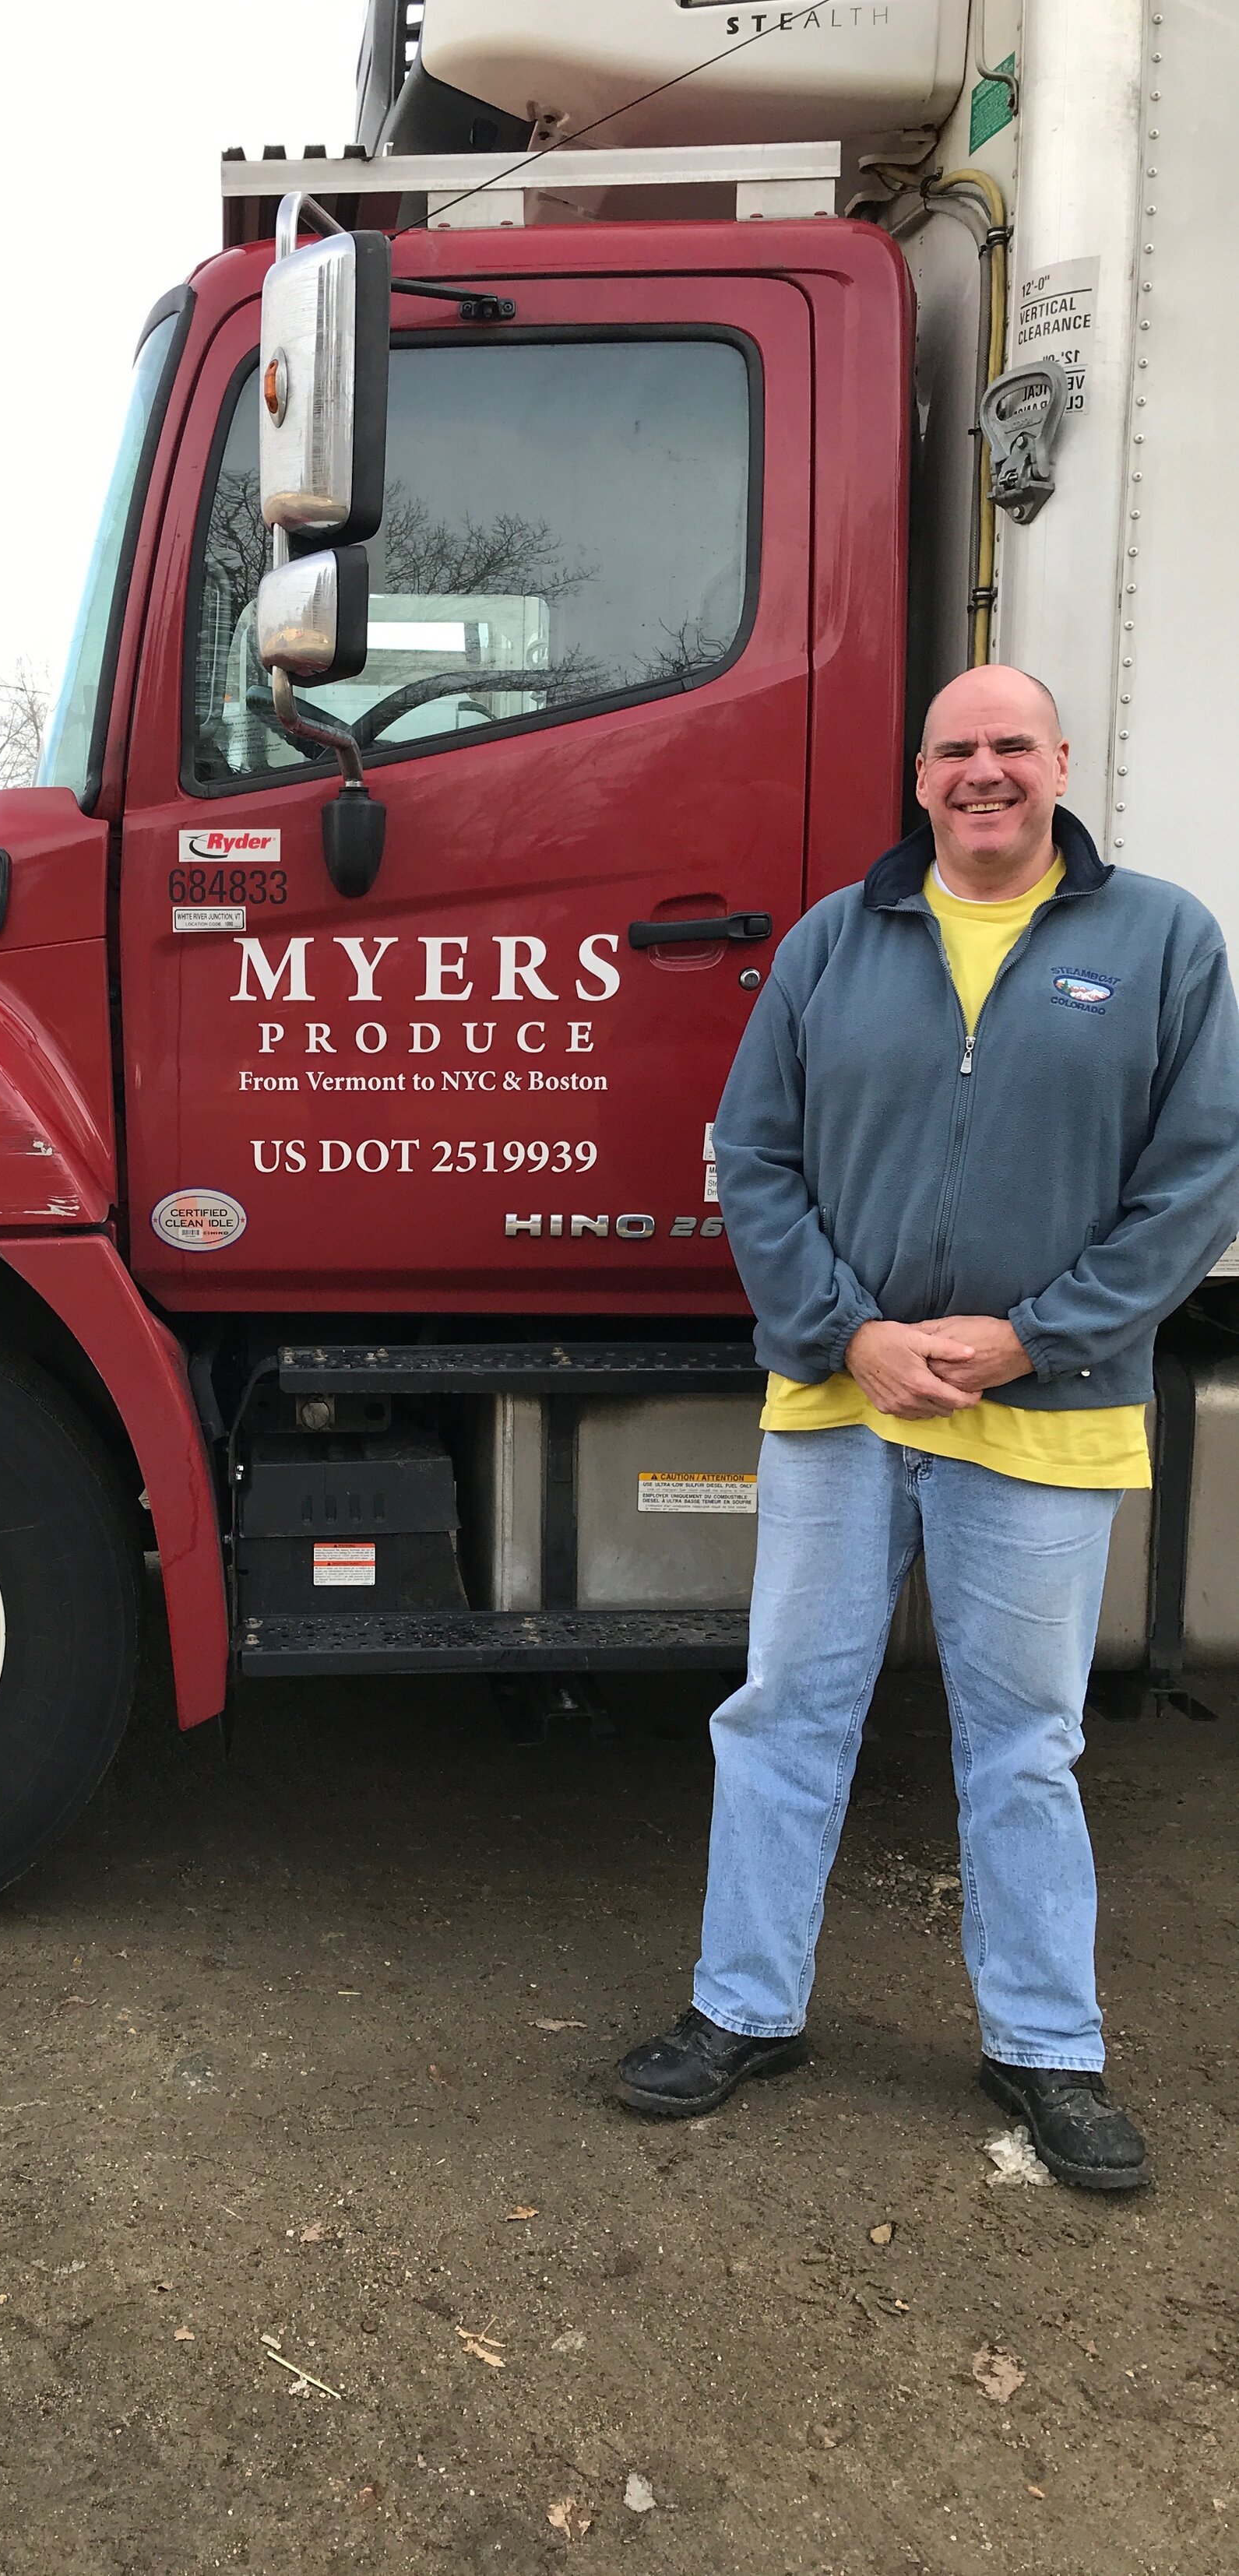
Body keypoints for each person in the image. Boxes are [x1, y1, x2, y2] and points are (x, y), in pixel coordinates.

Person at [615, 665, 1239, 2189]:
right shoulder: (837, 939)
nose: (982, 771)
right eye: (954, 748)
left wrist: (1035, 1333)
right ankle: (743, 2008)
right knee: (785, 1707)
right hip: (843, 1402)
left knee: (1020, 1741)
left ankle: (1044, 2045)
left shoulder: (1160, 940)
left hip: (1043, 1414)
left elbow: (1196, 1178)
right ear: (916, 775)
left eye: (1007, 746)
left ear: (1056, 763)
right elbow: (752, 1154)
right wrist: (855, 1333)